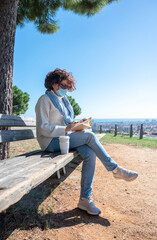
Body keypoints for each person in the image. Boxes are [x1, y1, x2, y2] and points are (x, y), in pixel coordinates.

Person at [35, 68, 138, 216]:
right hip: (50, 142)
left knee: (90, 153)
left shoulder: (63, 101)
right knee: (90, 136)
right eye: (63, 86)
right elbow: (43, 129)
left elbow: (67, 123)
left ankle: (84, 199)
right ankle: (116, 170)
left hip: (64, 138)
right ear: (54, 84)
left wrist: (76, 124)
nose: (66, 90)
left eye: (67, 88)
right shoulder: (44, 100)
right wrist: (66, 128)